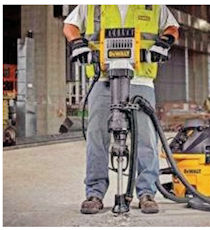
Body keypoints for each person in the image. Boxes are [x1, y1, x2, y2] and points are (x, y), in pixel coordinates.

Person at [63, 5, 179, 214]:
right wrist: (77, 43)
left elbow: (172, 27)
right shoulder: (91, 5)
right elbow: (69, 25)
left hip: (141, 79)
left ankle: (146, 193)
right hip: (103, 79)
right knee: (96, 136)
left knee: (146, 139)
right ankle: (94, 193)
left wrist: (164, 42)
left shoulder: (153, 4)